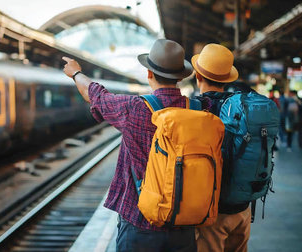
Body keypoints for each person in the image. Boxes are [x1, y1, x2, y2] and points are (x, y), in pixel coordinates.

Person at [62, 39, 196, 251]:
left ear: (149, 74)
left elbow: (95, 95)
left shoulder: (135, 108)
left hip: (140, 223)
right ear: (180, 77)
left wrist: (76, 74)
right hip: (185, 222)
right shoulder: (198, 109)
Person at [192, 44, 251, 252]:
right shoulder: (242, 107)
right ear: (227, 80)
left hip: (212, 210)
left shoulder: (194, 109)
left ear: (198, 76)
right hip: (243, 208)